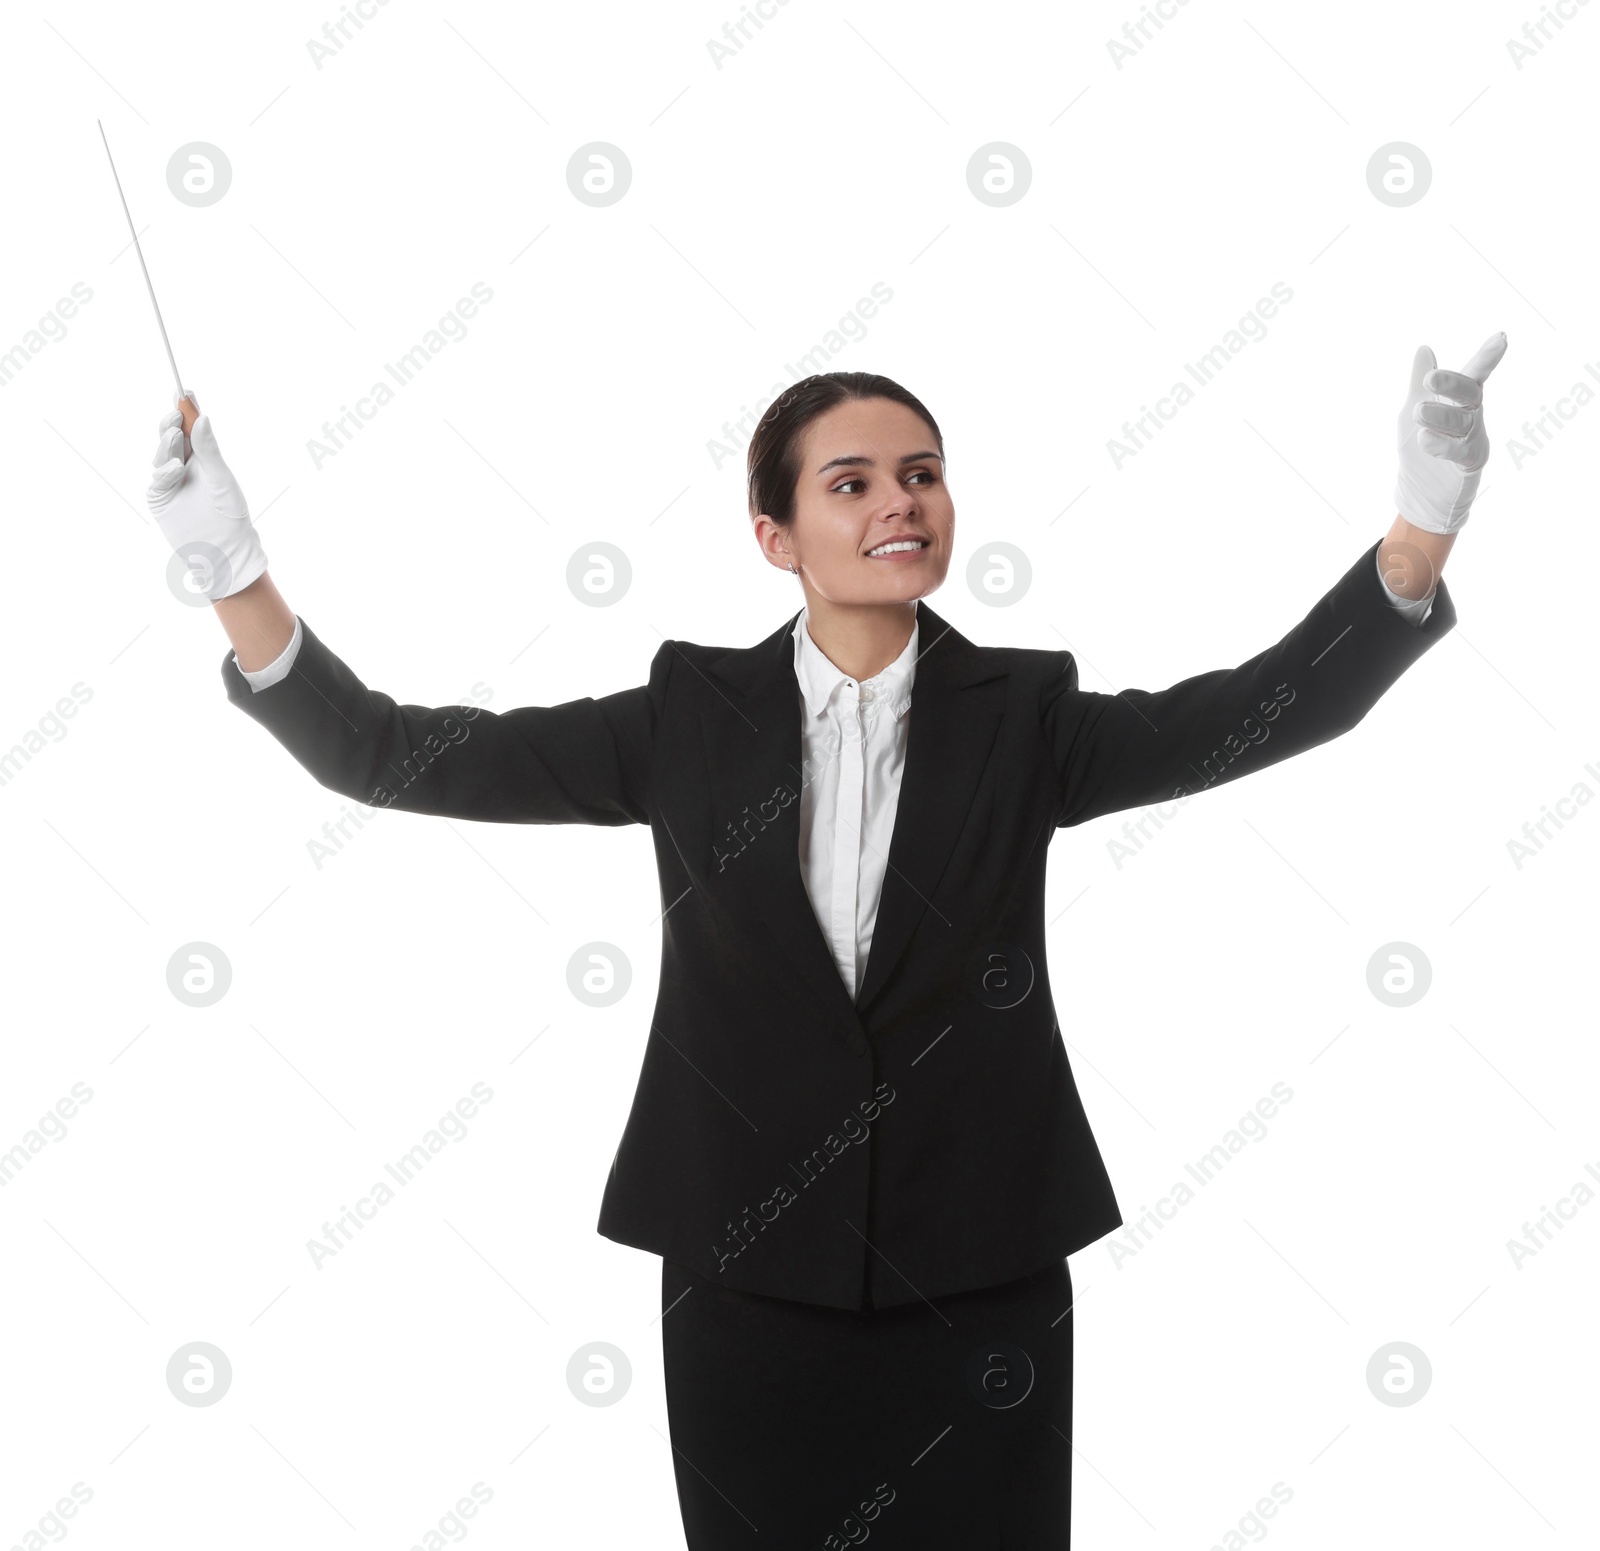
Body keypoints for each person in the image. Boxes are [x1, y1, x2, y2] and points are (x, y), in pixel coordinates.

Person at [144, 337, 1504, 1547]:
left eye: (922, 472)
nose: (900, 499)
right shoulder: (684, 717)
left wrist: (1421, 529)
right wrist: (233, 573)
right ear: (775, 534)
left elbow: (1256, 712)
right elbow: (387, 753)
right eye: (850, 482)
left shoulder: (1024, 715)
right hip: (746, 1265)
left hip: (980, 1266)